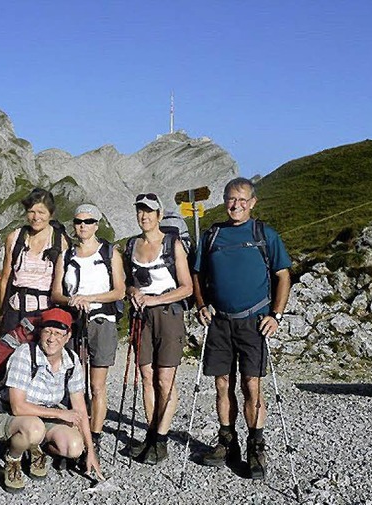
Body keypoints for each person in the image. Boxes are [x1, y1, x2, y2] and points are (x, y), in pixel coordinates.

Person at [193, 177, 292, 480]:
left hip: (253, 322)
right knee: (222, 383)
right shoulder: (212, 236)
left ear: (252, 202)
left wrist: (276, 314)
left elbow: (283, 275)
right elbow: (197, 274)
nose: (235, 205)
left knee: (252, 384)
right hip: (220, 321)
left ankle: (256, 445)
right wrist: (201, 304)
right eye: (230, 199)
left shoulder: (265, 234)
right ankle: (227, 443)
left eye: (241, 200)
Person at [0, 308, 104, 493]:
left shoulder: (72, 361)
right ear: (40, 331)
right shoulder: (25, 354)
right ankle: (13, 459)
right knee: (34, 428)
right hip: (6, 413)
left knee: (73, 448)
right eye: (47, 331)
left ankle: (35, 447)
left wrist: (90, 451)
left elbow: (80, 409)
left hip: (44, 414)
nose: (51, 338)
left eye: (58, 333)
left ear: (67, 336)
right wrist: (60, 413)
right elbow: (17, 406)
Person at [123, 193, 193, 465]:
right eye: (140, 211)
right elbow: (129, 281)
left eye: (149, 211)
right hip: (141, 316)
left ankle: (161, 440)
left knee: (165, 379)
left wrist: (155, 299)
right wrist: (133, 293)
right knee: (147, 376)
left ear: (159, 215)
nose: (144, 216)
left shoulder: (172, 244)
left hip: (167, 314)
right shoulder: (132, 245)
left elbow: (186, 287)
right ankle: (152, 435)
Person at [51, 204, 126, 456]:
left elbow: (119, 291)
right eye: (78, 221)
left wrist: (89, 297)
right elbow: (56, 293)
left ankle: (94, 436)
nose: (82, 225)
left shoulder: (109, 253)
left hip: (102, 322)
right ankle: (77, 433)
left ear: (97, 224)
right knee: (74, 383)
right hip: (74, 322)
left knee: (97, 386)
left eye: (88, 221)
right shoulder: (66, 256)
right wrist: (71, 300)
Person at [0, 188, 69, 335]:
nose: (36, 217)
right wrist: (2, 313)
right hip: (14, 311)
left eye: (41, 212)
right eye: (31, 211)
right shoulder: (14, 238)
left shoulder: (59, 242)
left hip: (45, 312)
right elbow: (5, 278)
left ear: (51, 214)